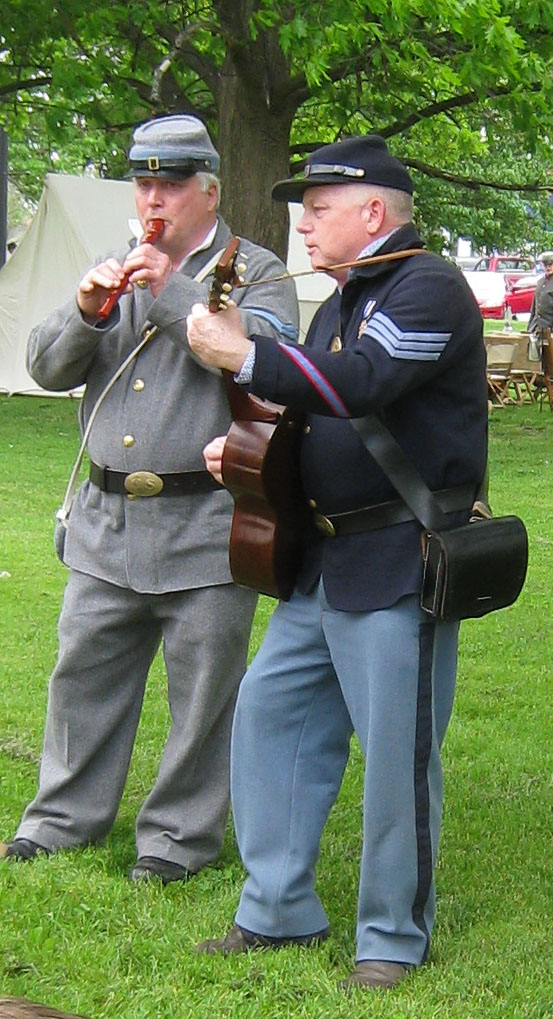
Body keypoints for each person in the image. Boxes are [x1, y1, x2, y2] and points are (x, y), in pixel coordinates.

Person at [186, 134, 488, 989]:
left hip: (398, 558)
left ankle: (390, 936)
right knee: (270, 718)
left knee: (397, 760)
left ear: (373, 211)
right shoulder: (345, 297)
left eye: (318, 210)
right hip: (325, 559)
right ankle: (276, 911)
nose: (305, 226)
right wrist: (248, 452)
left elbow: (358, 381)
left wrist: (242, 354)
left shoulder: (427, 287)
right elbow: (315, 409)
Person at [4, 115, 298, 883]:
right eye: (142, 184)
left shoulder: (254, 270)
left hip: (207, 522)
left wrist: (168, 290)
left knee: (202, 695)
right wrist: (85, 309)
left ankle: (177, 837)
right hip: (106, 523)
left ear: (209, 190)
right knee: (81, 679)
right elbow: (43, 367)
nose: (153, 199)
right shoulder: (115, 262)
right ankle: (62, 818)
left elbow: (264, 358)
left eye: (170, 184)